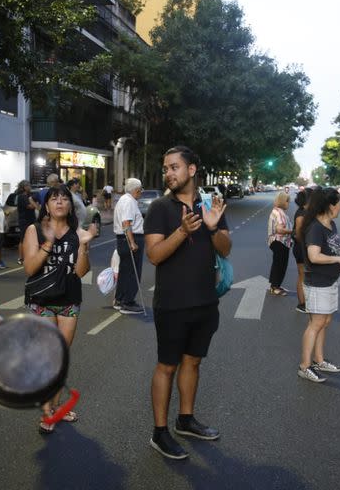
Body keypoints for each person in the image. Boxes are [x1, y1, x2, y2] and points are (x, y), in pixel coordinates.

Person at [144, 146, 230, 460]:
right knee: (167, 366)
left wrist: (212, 226)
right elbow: (154, 255)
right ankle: (159, 432)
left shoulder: (211, 203)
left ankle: (185, 419)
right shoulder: (159, 208)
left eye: (174, 167)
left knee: (193, 362)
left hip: (205, 301)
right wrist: (182, 231)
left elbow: (225, 248)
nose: (169, 173)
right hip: (172, 303)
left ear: (192, 170)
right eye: (166, 168)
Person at [22, 185, 96, 434]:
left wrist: (84, 247)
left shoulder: (78, 232)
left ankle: (54, 408)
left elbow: (82, 272)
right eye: (55, 198)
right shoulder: (34, 230)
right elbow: (31, 269)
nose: (60, 202)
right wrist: (49, 242)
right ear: (46, 205)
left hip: (68, 300)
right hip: (41, 300)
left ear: (70, 205)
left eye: (65, 198)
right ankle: (47, 412)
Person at [296, 187, 340, 383]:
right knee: (316, 324)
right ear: (331, 205)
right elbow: (314, 257)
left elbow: (335, 249)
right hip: (318, 283)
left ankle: (319, 360)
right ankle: (305, 366)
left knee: (324, 322)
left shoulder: (330, 225)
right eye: (339, 202)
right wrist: (338, 260)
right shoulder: (315, 228)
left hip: (330, 281)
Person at [113, 177, 145, 314]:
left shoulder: (124, 199)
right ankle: (127, 302)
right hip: (130, 238)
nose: (141, 192)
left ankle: (120, 299)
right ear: (137, 190)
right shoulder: (129, 201)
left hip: (124, 238)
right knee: (133, 272)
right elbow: (126, 223)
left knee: (125, 271)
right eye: (141, 190)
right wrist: (132, 242)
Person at [267, 191, 293, 296]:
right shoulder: (279, 213)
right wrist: (293, 231)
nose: (288, 204)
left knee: (278, 264)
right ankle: (275, 287)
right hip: (280, 242)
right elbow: (280, 230)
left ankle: (275, 285)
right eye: (288, 202)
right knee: (280, 265)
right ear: (283, 201)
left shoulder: (276, 211)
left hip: (278, 242)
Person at [292, 188, 313, 313]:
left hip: (305, 247)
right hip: (301, 248)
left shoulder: (306, 212)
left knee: (306, 275)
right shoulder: (301, 214)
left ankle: (306, 301)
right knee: (302, 275)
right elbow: (299, 233)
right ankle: (301, 304)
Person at [15, 180, 38, 265]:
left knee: (29, 239)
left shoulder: (28, 196)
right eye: (28, 186)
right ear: (24, 187)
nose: (30, 187)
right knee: (23, 239)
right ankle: (21, 258)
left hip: (30, 220)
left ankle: (28, 256)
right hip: (24, 220)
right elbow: (30, 206)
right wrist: (36, 205)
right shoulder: (22, 197)